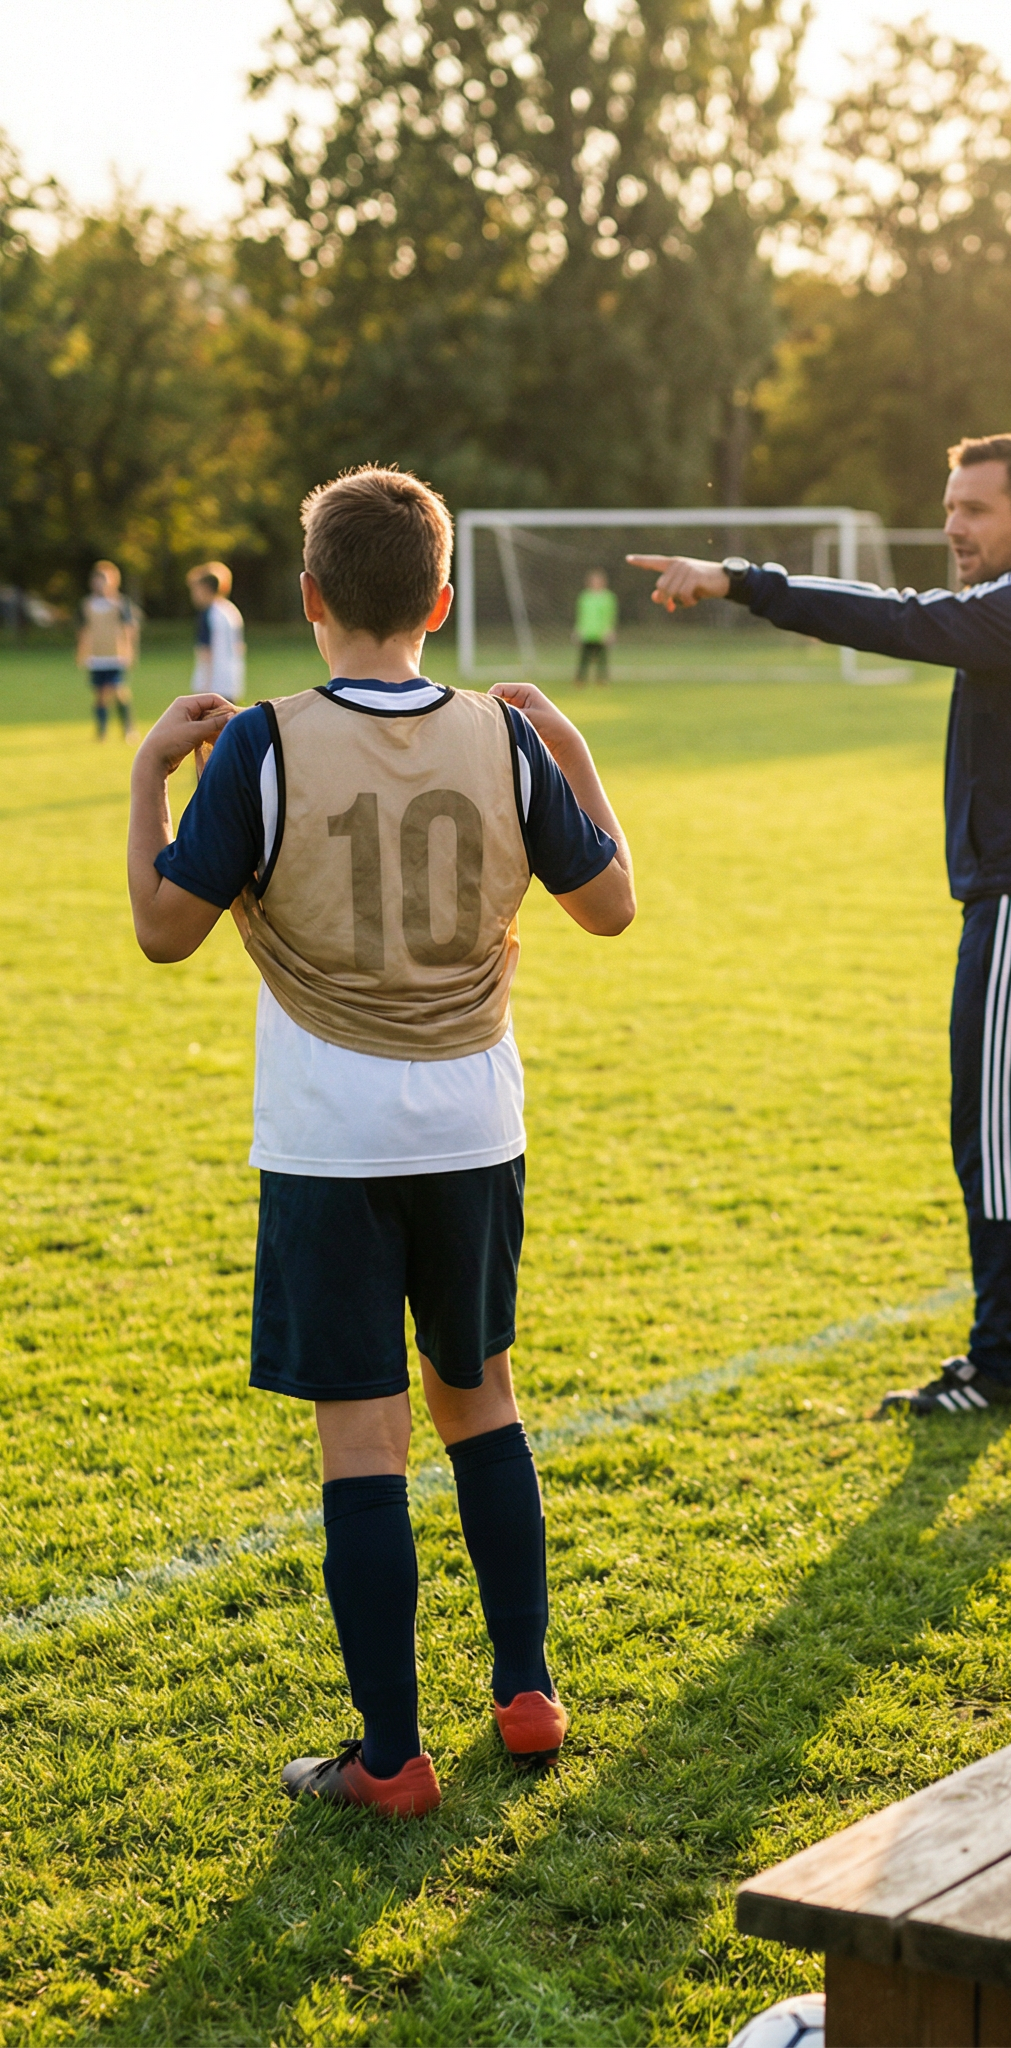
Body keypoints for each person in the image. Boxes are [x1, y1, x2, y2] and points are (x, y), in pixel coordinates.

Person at [127, 465, 635, 1816]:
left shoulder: (262, 743)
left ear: (308, 599)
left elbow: (164, 930)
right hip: (473, 1118)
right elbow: (613, 906)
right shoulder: (504, 737)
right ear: (442, 600)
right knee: (483, 1402)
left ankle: (391, 1757)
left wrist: (145, 776)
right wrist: (573, 751)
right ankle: (526, 1694)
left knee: (364, 1437)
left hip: (330, 1133)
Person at [628, 433, 1011, 1415]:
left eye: (973, 509)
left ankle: (996, 1361)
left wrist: (739, 581)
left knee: (993, 1133)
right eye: (948, 506)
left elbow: (898, 620)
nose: (951, 526)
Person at [77, 560, 137, 743]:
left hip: (115, 655)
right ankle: (101, 730)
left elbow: (128, 628)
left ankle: (128, 727)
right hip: (96, 656)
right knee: (100, 694)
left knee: (118, 690)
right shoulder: (87, 604)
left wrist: (129, 650)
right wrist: (81, 652)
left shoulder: (119, 603)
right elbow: (83, 630)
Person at [186, 561, 246, 704]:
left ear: (205, 589)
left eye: (195, 590)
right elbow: (239, 647)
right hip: (231, 680)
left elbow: (205, 651)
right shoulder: (231, 611)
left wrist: (203, 685)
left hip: (212, 683)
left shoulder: (208, 614)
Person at [574, 568, 617, 686]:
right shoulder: (584, 597)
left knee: (602, 659)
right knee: (584, 659)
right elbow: (580, 615)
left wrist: (609, 631)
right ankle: (580, 680)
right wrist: (578, 630)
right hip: (587, 633)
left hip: (601, 633)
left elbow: (610, 615)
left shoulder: (608, 597)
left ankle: (602, 680)